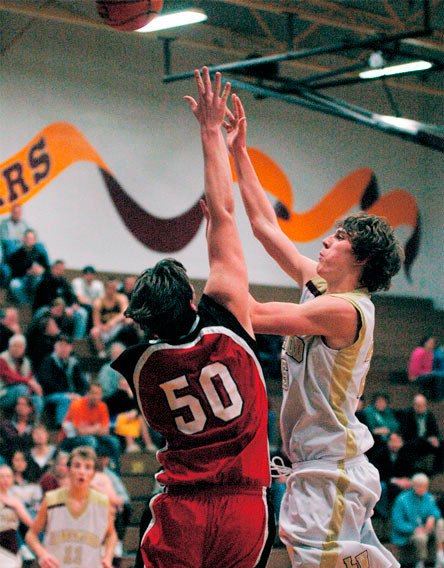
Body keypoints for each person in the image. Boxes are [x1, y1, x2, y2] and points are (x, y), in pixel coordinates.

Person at [225, 92, 403, 566]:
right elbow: (266, 227)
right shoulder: (321, 288)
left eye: (341, 238)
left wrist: (215, 255)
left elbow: (255, 316)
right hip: (324, 467)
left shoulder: (346, 310)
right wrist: (238, 150)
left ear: (361, 259)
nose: (327, 239)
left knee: (312, 559)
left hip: (332, 469)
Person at [111, 68, 273, 568]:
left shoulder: (141, 369)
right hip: (245, 507)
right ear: (190, 301)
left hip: (182, 509)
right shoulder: (226, 317)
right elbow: (224, 211)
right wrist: (210, 131)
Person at [26, 446, 117, 568]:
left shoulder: (102, 502)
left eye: (88, 467)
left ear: (94, 473)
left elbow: (111, 535)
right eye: (77, 466)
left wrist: (107, 557)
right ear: (68, 470)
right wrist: (43, 554)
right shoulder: (51, 499)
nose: (82, 471)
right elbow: (31, 535)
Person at [60, 382, 121, 472]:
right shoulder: (77, 405)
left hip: (92, 436)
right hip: (70, 439)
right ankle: (92, 470)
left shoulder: (102, 406)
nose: (95, 396)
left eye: (98, 394)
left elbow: (105, 430)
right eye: (93, 393)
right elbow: (80, 432)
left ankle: (115, 471)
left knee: (114, 441)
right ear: (87, 393)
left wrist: (89, 429)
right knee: (91, 441)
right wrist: (97, 428)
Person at [391, 473, 444, 568]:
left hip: (426, 529)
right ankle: (420, 562)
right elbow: (397, 522)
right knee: (421, 537)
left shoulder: (428, 497)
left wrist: (432, 517)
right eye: (419, 486)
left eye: (424, 487)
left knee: (440, 523)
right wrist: (414, 529)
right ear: (413, 486)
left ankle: (440, 554)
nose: (422, 489)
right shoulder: (402, 499)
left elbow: (436, 512)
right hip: (408, 533)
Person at [38, 334, 89, 427]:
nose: (64, 348)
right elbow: (47, 382)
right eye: (61, 345)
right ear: (55, 347)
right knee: (65, 399)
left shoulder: (74, 362)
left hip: (72, 394)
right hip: (52, 394)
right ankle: (62, 426)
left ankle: (83, 427)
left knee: (88, 398)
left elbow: (82, 382)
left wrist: (78, 394)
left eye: (66, 346)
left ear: (71, 348)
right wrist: (67, 393)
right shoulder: (48, 361)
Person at [33, 260, 89, 340]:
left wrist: (73, 305)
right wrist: (62, 308)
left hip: (63, 309)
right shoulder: (44, 281)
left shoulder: (63, 282)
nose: (60, 272)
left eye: (62, 270)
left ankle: (77, 340)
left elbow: (71, 296)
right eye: (58, 269)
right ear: (52, 269)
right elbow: (46, 300)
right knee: (44, 311)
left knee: (82, 313)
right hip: (45, 308)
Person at [398, 393, 443, 475]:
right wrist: (427, 439)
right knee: (414, 445)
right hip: (412, 441)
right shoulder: (408, 415)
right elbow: (406, 433)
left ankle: (436, 471)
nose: (421, 408)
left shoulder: (429, 415)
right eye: (419, 405)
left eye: (423, 405)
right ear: (414, 405)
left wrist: (435, 438)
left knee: (441, 444)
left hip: (426, 441)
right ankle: (414, 471)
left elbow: (435, 431)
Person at [0, 334, 43, 417]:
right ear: (9, 347)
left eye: (20, 347)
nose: (17, 349)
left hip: (22, 392)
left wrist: (35, 388)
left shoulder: (26, 361)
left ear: (24, 349)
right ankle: (19, 422)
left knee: (38, 398)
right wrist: (29, 382)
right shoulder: (2, 358)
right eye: (14, 346)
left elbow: (30, 378)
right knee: (21, 389)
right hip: (3, 394)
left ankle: (33, 424)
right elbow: (9, 377)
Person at [0, 463, 33, 568]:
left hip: (13, 546)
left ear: (13, 478)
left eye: (8, 476)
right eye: (2, 476)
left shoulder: (15, 499)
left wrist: (16, 507)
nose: (5, 480)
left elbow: (30, 523)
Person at [8, 229, 49, 304]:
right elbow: (13, 273)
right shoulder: (16, 254)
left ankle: (36, 303)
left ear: (35, 241)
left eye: (31, 239)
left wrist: (42, 271)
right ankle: (26, 304)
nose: (28, 240)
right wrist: (27, 271)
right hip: (22, 280)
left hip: (35, 280)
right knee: (14, 284)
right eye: (27, 238)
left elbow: (48, 270)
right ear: (23, 239)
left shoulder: (40, 254)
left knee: (42, 281)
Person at [90, 277, 129, 358]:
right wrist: (103, 327)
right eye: (110, 288)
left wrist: (112, 322)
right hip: (105, 328)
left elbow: (125, 313)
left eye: (114, 288)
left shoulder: (121, 298)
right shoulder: (98, 302)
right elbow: (96, 322)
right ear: (105, 288)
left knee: (129, 320)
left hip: (118, 326)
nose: (113, 291)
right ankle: (102, 353)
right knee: (94, 331)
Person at [408, 336, 444, 401]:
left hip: (426, 375)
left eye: (433, 343)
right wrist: (430, 373)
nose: (432, 344)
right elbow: (414, 369)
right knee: (437, 376)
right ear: (425, 343)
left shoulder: (431, 353)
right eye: (430, 342)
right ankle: (438, 399)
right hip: (416, 376)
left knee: (439, 376)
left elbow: (430, 368)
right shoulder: (419, 351)